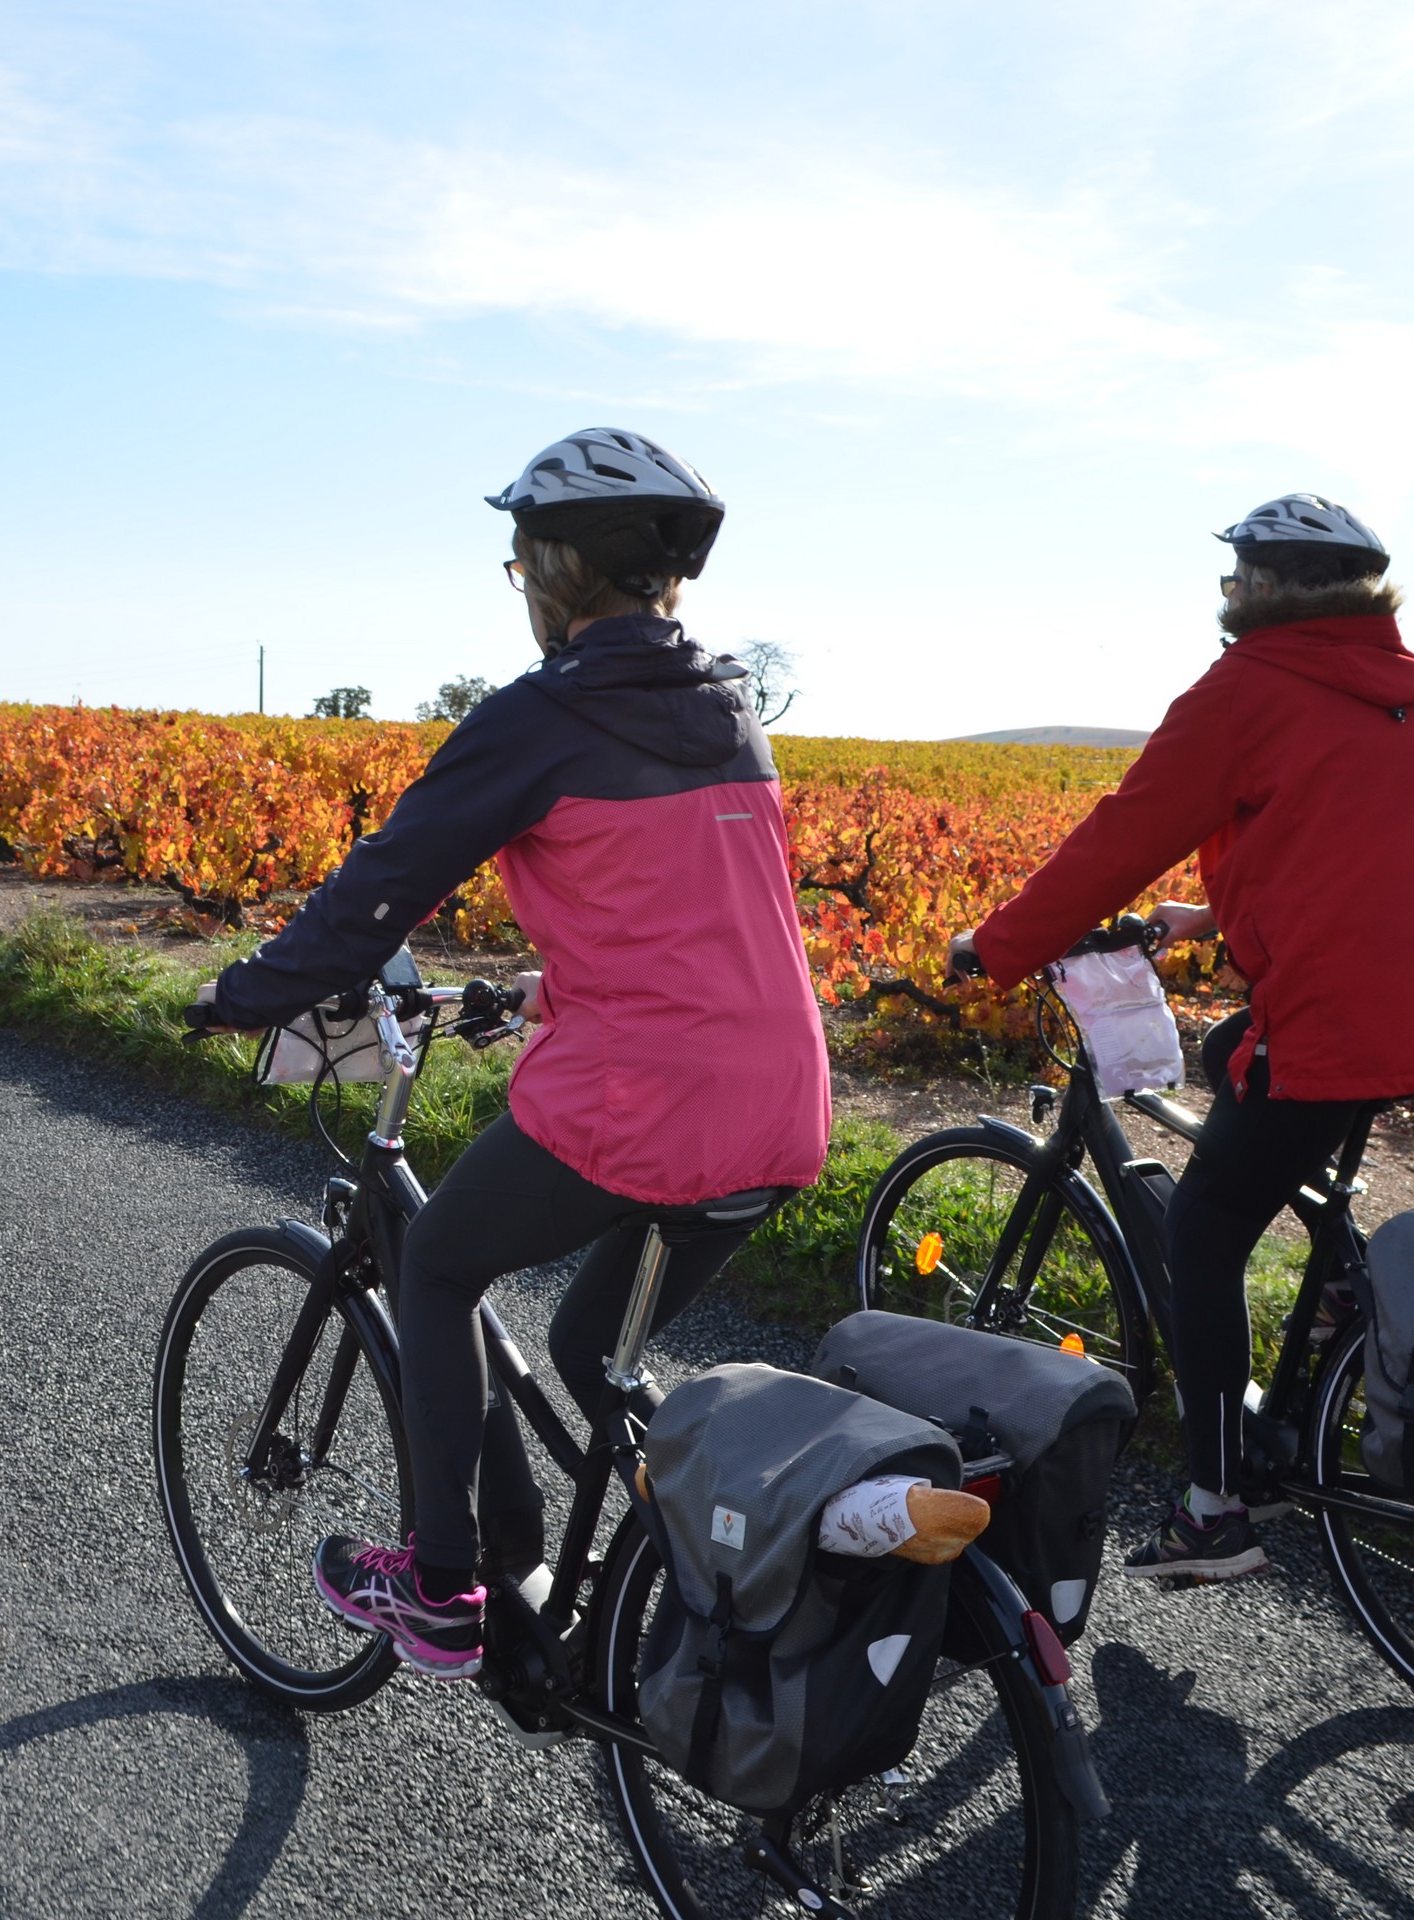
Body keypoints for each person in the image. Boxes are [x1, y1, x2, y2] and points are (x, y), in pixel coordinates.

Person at [194, 430, 831, 1676]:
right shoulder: (728, 705)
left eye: (519, 558)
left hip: (648, 1102)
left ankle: (440, 1588)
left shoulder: (541, 716)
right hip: (782, 1098)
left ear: (560, 568)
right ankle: (707, 1594)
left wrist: (246, 993)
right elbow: (692, 911)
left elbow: (377, 896)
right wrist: (551, 984)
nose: (519, 581)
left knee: (433, 1264)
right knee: (593, 1354)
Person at [945, 493, 1414, 1581]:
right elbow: (1366, 846)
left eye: (1235, 579)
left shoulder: (1251, 686)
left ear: (1262, 587)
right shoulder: (1397, 688)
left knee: (1204, 1228)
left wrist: (1003, 942)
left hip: (1349, 1008)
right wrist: (1214, 917)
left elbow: (1119, 836)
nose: (1226, 597)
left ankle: (1212, 1508)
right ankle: (1344, 1304)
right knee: (1228, 1063)